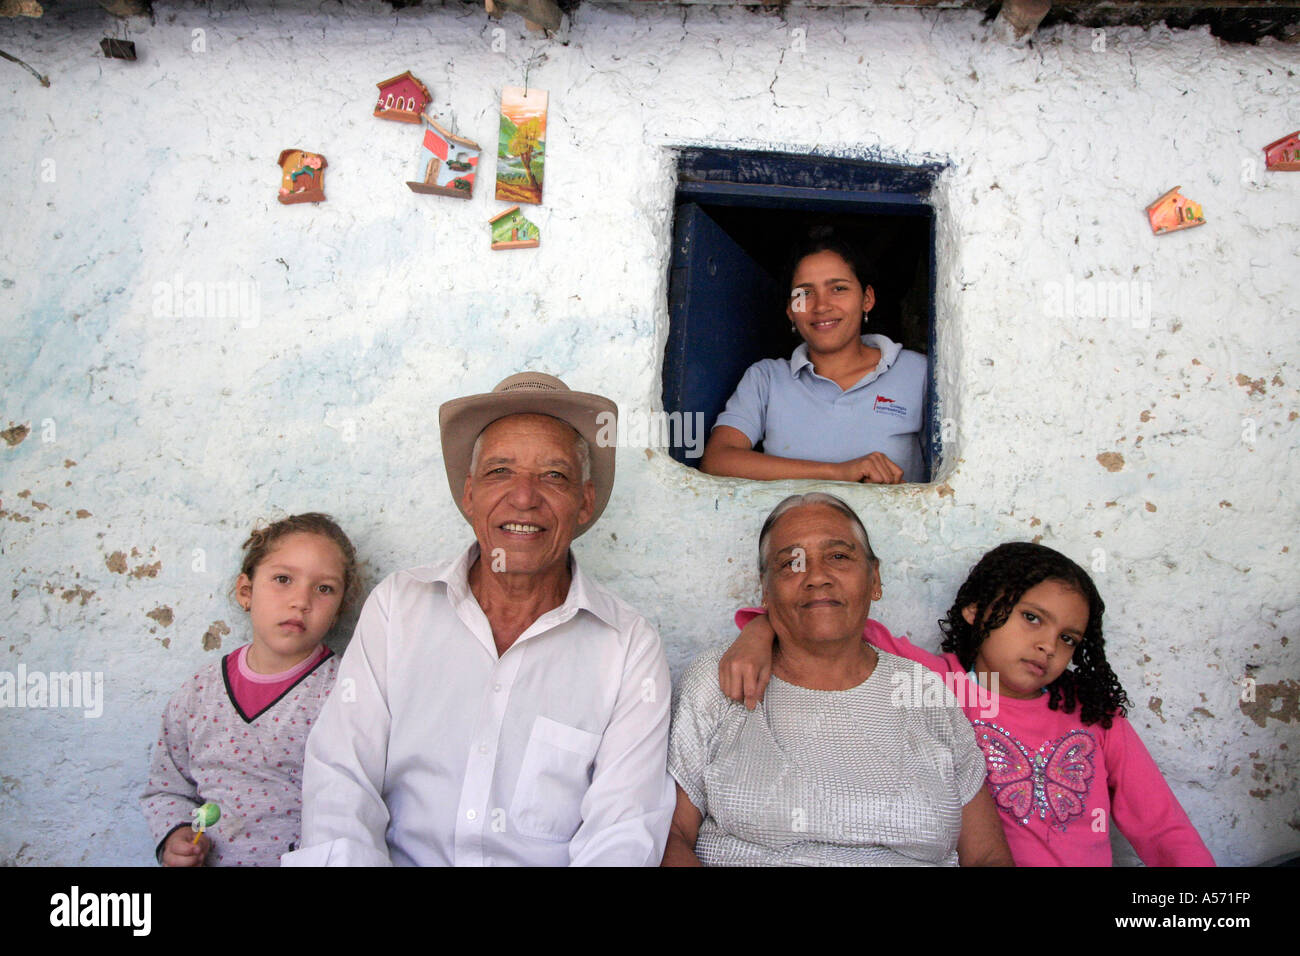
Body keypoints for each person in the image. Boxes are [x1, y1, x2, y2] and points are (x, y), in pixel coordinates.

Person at [282, 372, 675, 867]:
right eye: (500, 472)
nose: (525, 497)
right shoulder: (399, 607)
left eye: (553, 475)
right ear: (469, 495)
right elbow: (341, 781)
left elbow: (621, 833)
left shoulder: (628, 646)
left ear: (585, 502)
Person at [721, 541, 1216, 866]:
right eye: (1032, 618)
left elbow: (1163, 827)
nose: (1049, 645)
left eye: (1068, 638)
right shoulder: (938, 682)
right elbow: (831, 626)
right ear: (976, 611)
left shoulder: (1094, 716)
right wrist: (759, 631)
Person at [664, 493, 1012, 866]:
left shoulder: (923, 690)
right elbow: (670, 835)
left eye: (838, 556)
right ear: (765, 590)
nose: (816, 577)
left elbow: (986, 854)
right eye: (791, 563)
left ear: (874, 578)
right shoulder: (719, 680)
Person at [140, 513, 360, 866]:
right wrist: (175, 834)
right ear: (246, 591)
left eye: (324, 589)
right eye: (283, 579)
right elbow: (167, 787)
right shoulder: (199, 693)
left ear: (338, 610)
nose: (301, 601)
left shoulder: (345, 692)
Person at [700, 231, 927, 484]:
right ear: (790, 310)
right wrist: (837, 473)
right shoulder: (766, 378)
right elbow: (717, 461)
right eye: (804, 293)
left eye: (838, 288)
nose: (821, 306)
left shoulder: (918, 372)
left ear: (867, 299)